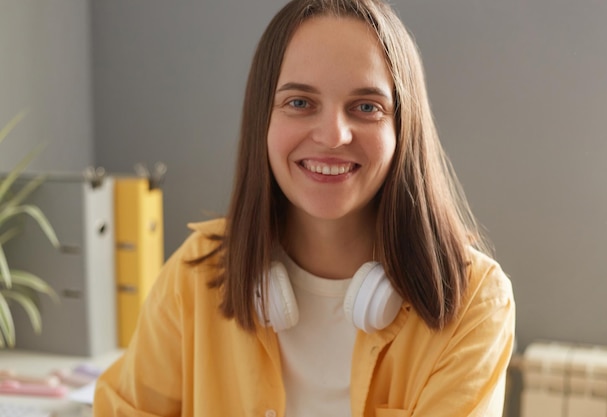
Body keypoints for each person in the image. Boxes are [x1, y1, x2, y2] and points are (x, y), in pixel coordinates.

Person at [93, 0, 515, 415]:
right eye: (300, 102)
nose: (333, 136)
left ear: (403, 129)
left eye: (366, 107)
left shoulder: (474, 303)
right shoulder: (195, 275)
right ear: (263, 119)